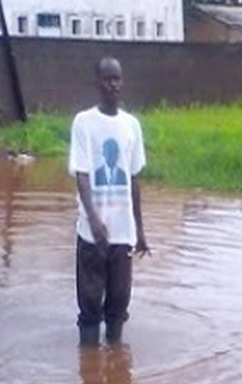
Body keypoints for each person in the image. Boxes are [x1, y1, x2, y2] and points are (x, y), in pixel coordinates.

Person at [69, 56, 150, 346]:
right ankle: (89, 363)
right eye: (107, 79)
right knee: (90, 307)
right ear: (97, 83)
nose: (113, 85)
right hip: (92, 235)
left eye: (117, 79)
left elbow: (133, 181)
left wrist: (140, 231)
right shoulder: (83, 123)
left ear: (122, 83)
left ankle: (116, 362)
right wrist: (94, 220)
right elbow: (81, 175)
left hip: (122, 234)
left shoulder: (132, 125)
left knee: (118, 304)